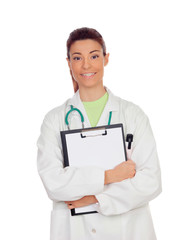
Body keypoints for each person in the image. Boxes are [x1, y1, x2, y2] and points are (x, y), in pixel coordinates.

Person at [37, 27, 162, 240]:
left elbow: (151, 181)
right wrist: (111, 176)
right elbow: (54, 183)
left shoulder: (133, 115)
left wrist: (94, 198)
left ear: (106, 59)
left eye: (94, 56)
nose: (86, 65)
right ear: (68, 63)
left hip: (128, 229)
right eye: (78, 58)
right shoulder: (54, 120)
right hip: (75, 230)